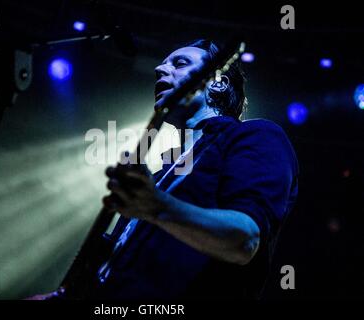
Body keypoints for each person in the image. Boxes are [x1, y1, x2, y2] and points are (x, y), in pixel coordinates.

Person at [31, 39, 299, 300]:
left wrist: (155, 206)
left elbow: (243, 241)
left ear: (218, 82)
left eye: (179, 63)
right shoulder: (163, 174)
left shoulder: (257, 135)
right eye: (161, 65)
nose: (160, 70)